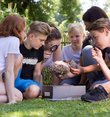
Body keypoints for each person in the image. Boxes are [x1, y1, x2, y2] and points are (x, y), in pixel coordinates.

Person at [71, 18, 110, 102]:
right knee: (95, 87)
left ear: (106, 32)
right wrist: (100, 60)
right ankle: (101, 90)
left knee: (99, 87)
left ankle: (103, 90)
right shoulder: (108, 50)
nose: (94, 42)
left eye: (95, 37)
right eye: (92, 39)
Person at [15, 21, 50, 99]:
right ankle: (17, 95)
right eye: (41, 40)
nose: (43, 43)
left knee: (34, 91)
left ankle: (21, 96)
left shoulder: (40, 49)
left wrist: (37, 88)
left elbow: (37, 72)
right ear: (31, 36)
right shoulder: (17, 46)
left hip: (27, 84)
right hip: (13, 81)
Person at [79, 6, 109, 87]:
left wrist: (83, 70)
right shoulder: (88, 40)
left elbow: (107, 64)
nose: (85, 28)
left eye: (86, 24)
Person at [0, 14, 26, 104]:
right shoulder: (13, 40)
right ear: (17, 29)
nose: (24, 33)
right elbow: (9, 71)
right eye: (23, 30)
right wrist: (11, 100)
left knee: (18, 95)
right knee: (18, 96)